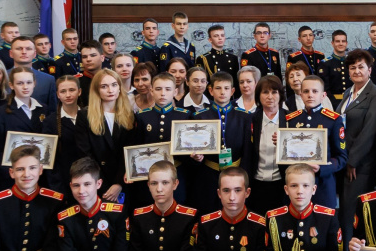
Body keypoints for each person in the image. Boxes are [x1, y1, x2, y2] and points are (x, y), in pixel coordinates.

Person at [339, 50, 376, 251]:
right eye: (352, 68)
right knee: (342, 210)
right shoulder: (348, 92)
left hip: (360, 165)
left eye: (361, 67)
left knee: (351, 212)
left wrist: (352, 161)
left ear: (370, 70)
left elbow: (370, 132)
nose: (356, 71)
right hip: (343, 162)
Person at [189, 72, 251, 213]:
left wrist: (244, 176)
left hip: (236, 173)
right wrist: (196, 159)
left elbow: (247, 151)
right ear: (210, 90)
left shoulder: (243, 117)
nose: (222, 92)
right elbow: (193, 151)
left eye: (226, 88)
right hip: (209, 173)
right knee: (209, 212)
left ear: (233, 91)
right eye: (218, 88)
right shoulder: (199, 117)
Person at [284, 75, 346, 209]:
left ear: (323, 95)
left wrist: (322, 168)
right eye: (306, 91)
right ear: (300, 94)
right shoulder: (291, 119)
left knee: (324, 225)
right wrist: (282, 144)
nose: (310, 95)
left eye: (315, 91)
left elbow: (341, 158)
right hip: (296, 185)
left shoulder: (333, 120)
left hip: (323, 184)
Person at [75, 68, 134, 201]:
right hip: (97, 182)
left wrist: (118, 183)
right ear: (97, 90)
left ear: (119, 88)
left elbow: (129, 152)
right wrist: (101, 183)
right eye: (104, 86)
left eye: (114, 85)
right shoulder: (85, 116)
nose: (110, 90)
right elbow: (85, 154)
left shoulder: (130, 115)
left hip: (124, 183)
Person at [131, 74, 189, 207]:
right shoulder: (142, 116)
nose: (163, 93)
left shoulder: (184, 115)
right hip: (148, 174)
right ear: (151, 90)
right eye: (158, 89)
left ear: (175, 91)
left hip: (177, 172)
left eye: (168, 89)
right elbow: (135, 146)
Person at [0, 66, 49, 190]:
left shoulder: (43, 109)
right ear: (11, 85)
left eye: (28, 82)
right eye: (20, 83)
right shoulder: (2, 112)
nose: (25, 87)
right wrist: (13, 172)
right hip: (13, 178)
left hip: (39, 175)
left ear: (34, 84)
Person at [248, 76, 288, 216]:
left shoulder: (290, 119)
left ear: (281, 95)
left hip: (282, 183)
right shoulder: (250, 119)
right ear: (258, 96)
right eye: (265, 92)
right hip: (256, 183)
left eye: (274, 92)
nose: (270, 96)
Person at [42, 75, 82, 196]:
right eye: (63, 91)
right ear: (58, 94)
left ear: (79, 92)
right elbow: (49, 160)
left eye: (72, 90)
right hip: (64, 182)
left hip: (90, 180)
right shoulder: (50, 122)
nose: (68, 95)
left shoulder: (90, 116)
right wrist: (58, 188)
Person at [7, 36, 57, 110]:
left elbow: (52, 111)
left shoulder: (48, 80)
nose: (24, 52)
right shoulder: (2, 77)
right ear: (11, 53)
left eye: (28, 49)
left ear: (34, 54)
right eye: (19, 49)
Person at [317, 29, 350, 104]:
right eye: (337, 41)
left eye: (343, 41)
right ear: (332, 43)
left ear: (346, 43)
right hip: (332, 103)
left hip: (351, 102)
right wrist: (333, 103)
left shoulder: (351, 62)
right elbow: (324, 88)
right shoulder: (325, 64)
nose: (341, 44)